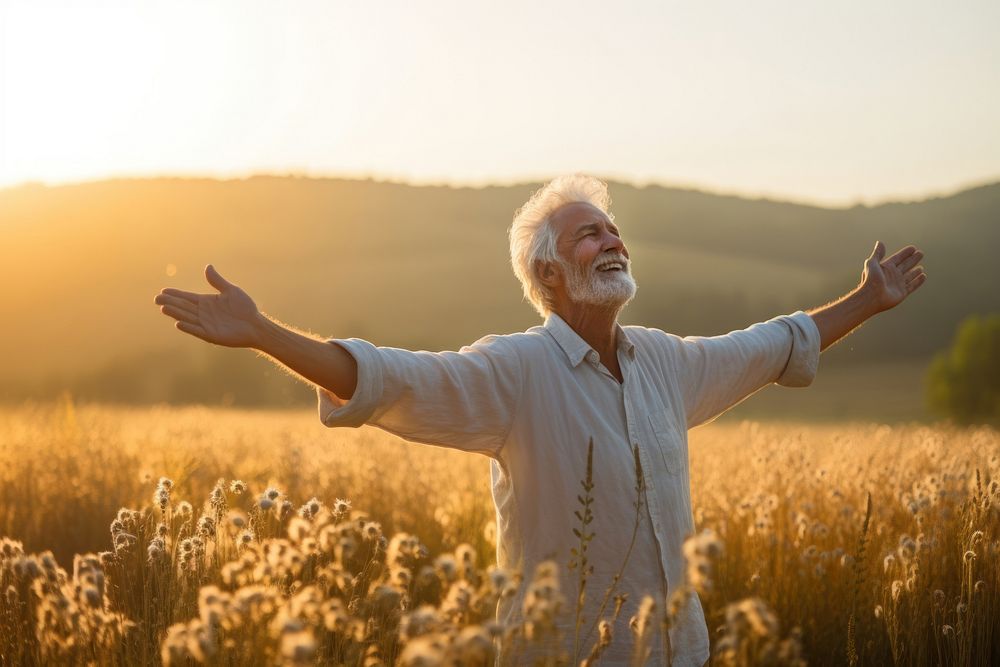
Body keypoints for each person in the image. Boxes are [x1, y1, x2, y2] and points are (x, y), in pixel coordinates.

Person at [153, 174, 926, 665]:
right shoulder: (515, 372)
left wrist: (867, 299)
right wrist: (264, 333)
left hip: (679, 654)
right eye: (590, 232)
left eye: (613, 228)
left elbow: (770, 345)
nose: (613, 238)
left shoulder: (666, 362)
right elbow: (392, 379)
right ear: (550, 274)